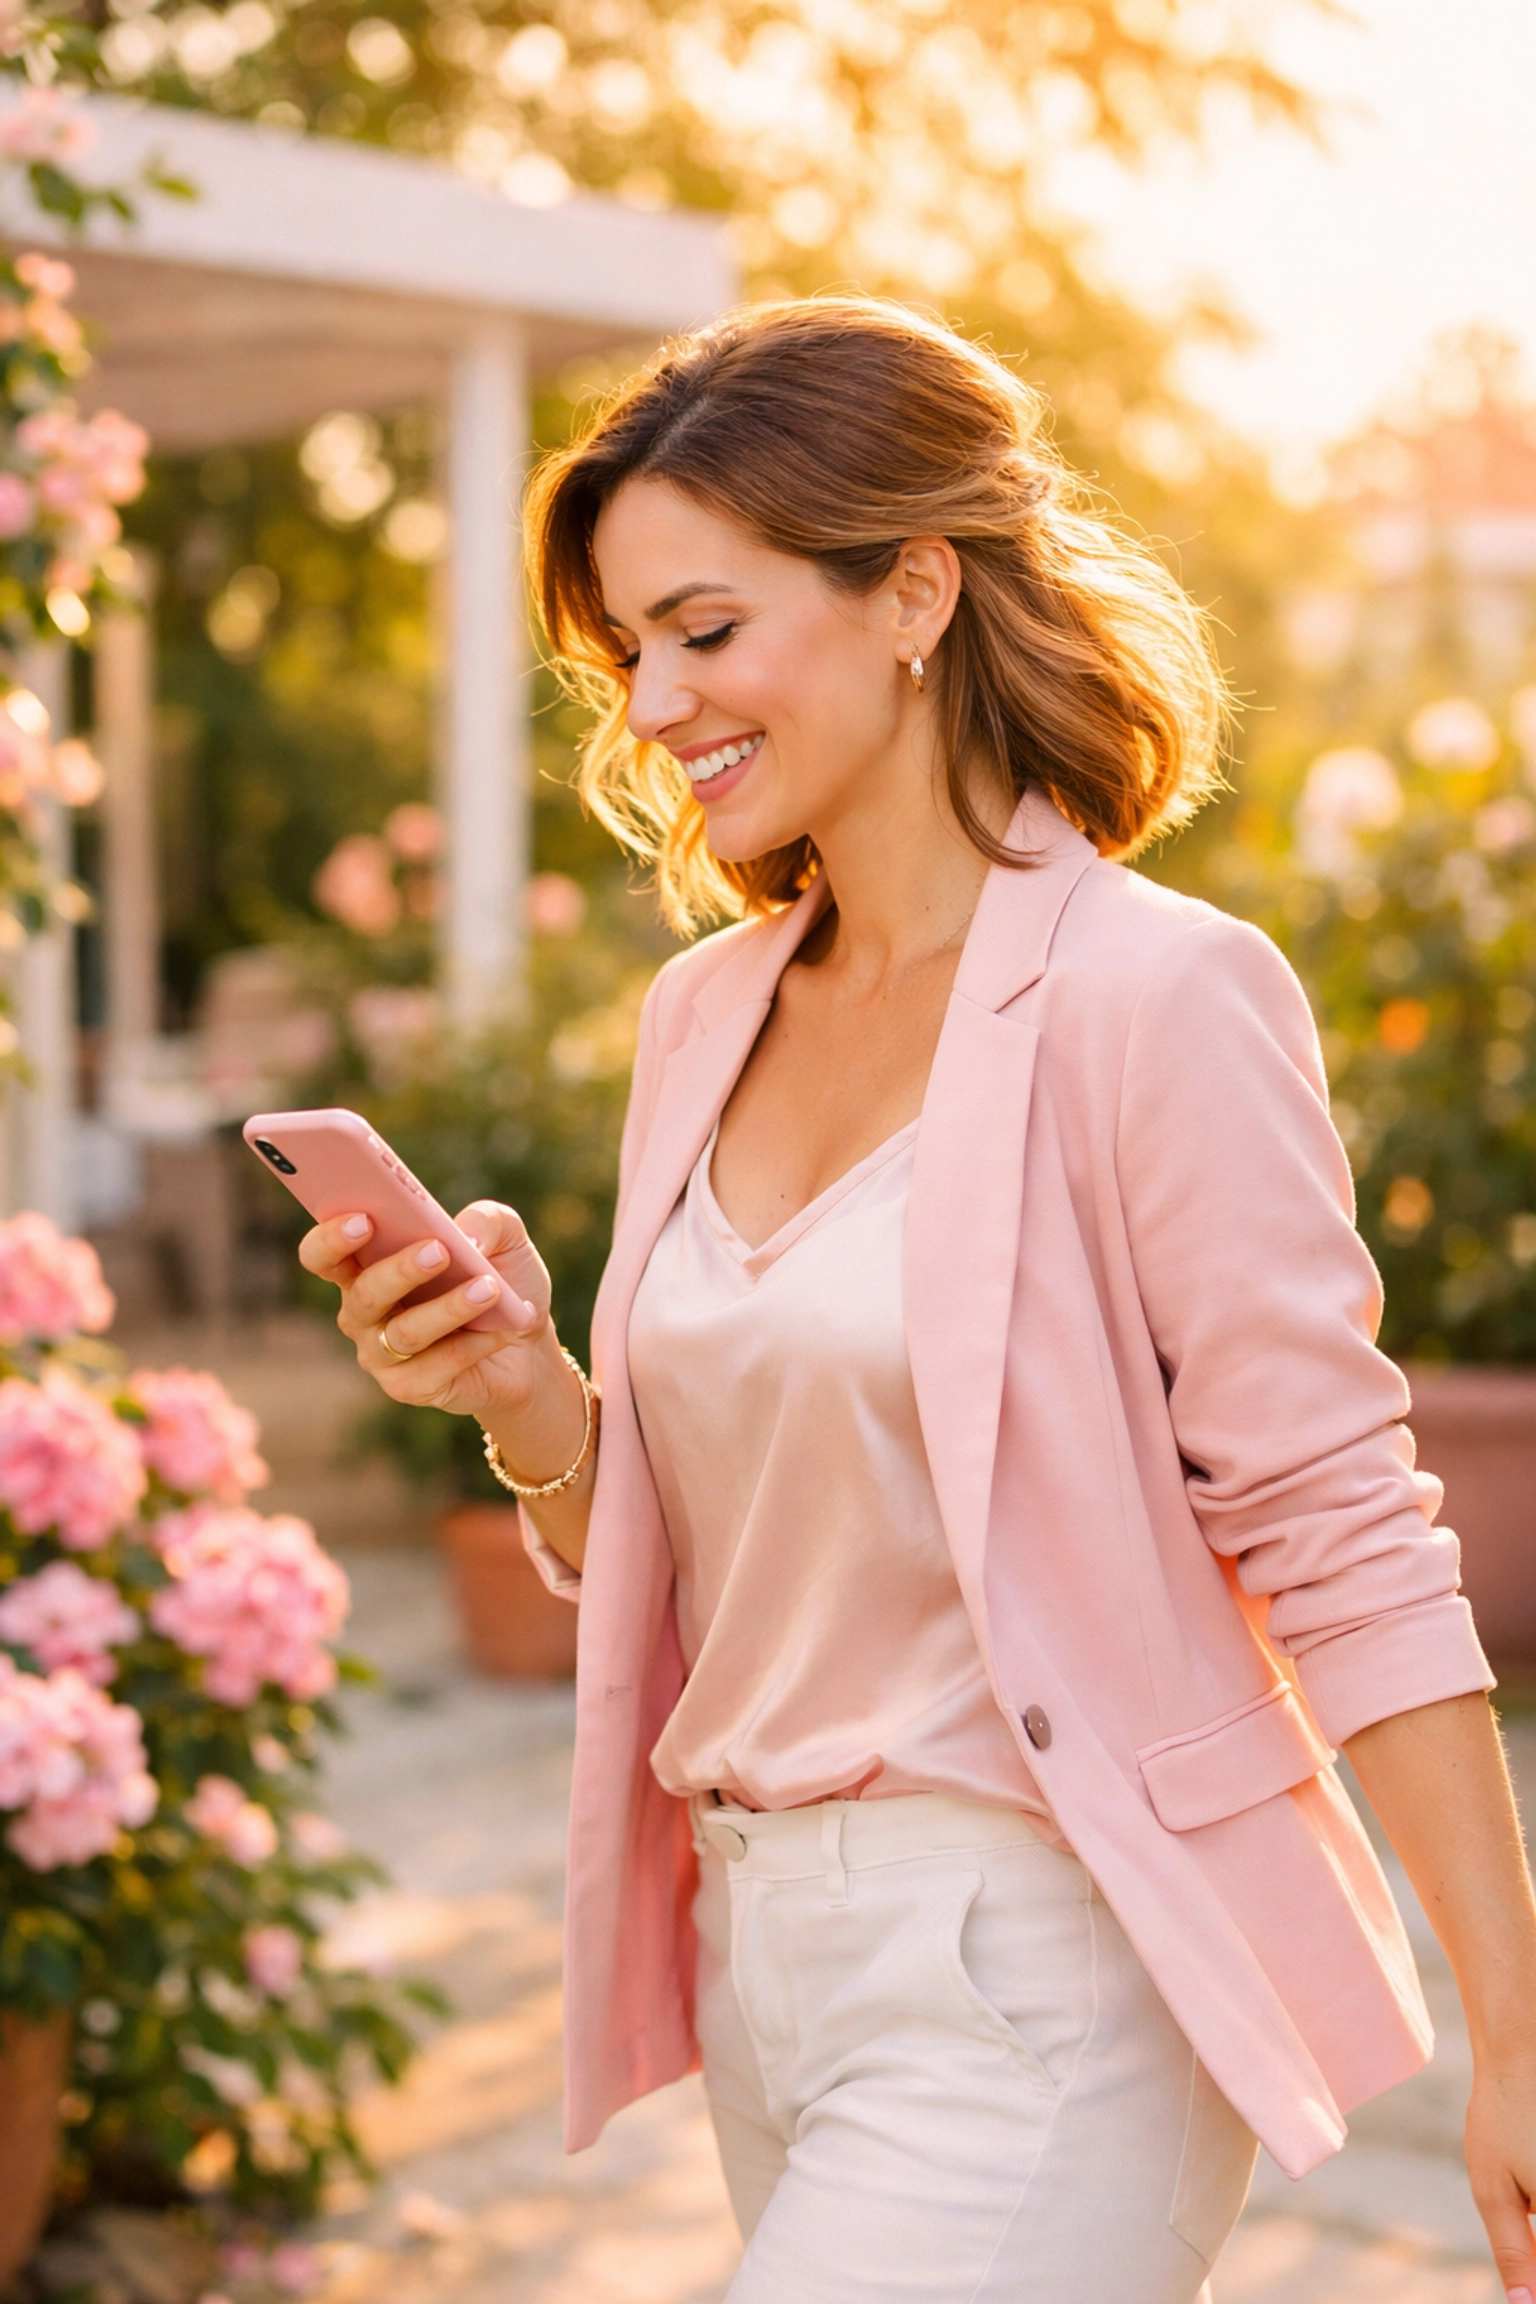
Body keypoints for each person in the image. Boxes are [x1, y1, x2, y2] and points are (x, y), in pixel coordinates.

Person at [300, 297, 1536, 2303]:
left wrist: (1521, 2030)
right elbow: (711, 1560)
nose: (657, 704)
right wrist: (526, 1393)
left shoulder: (1159, 995)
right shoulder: (705, 1017)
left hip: (1042, 1974)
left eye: (705, 629)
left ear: (916, 591)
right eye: (631, 657)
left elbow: (1340, 1528)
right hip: (763, 1968)